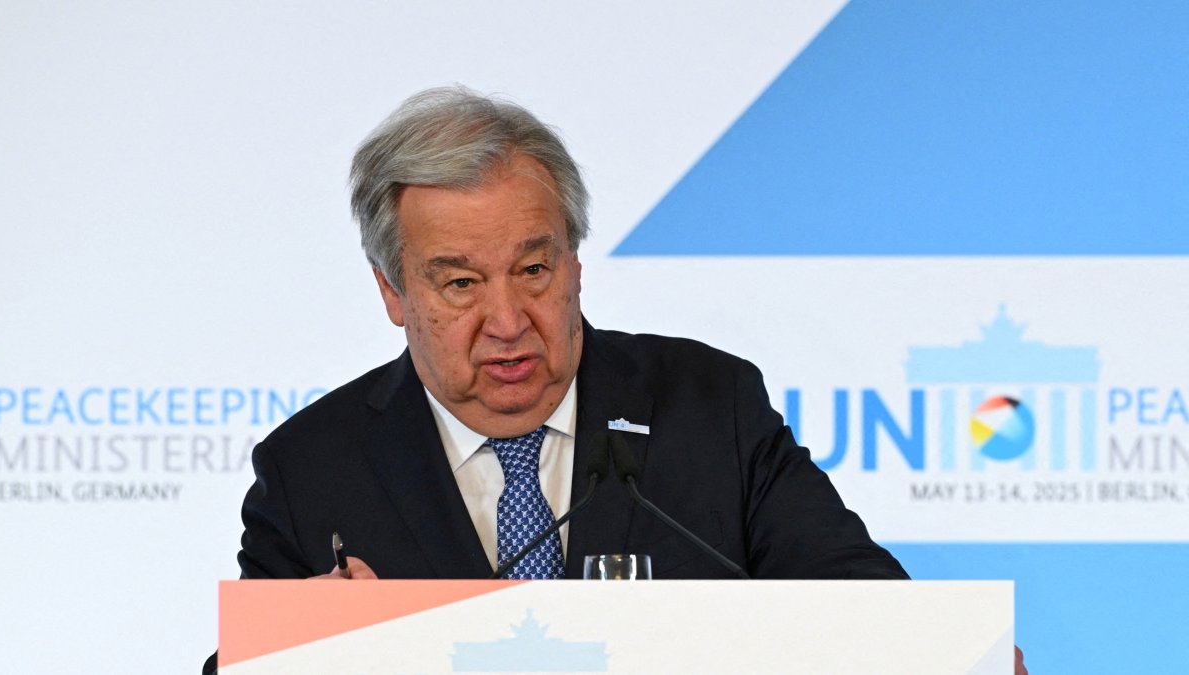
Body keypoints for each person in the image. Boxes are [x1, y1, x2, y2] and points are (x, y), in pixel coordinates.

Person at [210, 86, 1034, 673]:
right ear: (393, 290)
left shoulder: (710, 408)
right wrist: (306, 645)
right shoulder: (312, 468)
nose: (506, 319)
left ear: (574, 264)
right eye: (460, 282)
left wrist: (948, 652)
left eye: (533, 268)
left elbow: (864, 601)